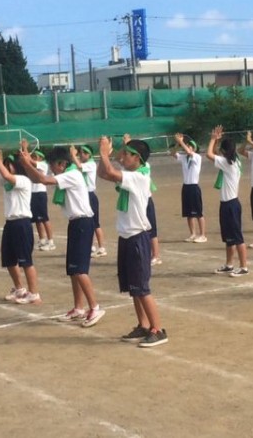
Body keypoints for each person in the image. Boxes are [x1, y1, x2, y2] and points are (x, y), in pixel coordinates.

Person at [20, 145, 105, 328]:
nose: (51, 168)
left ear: (62, 163)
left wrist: (27, 164)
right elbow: (39, 179)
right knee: (73, 270)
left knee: (80, 270)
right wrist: (27, 165)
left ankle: (95, 307)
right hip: (75, 223)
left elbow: (42, 179)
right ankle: (78, 308)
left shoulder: (72, 174)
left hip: (83, 223)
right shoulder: (68, 174)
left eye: (53, 165)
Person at [97, 136, 168, 347]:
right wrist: (105, 156)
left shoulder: (140, 177)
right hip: (126, 237)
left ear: (137, 158)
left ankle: (158, 329)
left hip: (138, 237)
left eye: (126, 154)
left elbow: (109, 171)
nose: (122, 157)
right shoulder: (132, 174)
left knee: (142, 287)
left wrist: (103, 153)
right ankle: (143, 325)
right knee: (133, 288)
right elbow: (103, 173)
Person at [0, 147, 41, 305]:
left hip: (22, 223)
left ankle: (34, 293)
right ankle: (19, 289)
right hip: (10, 223)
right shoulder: (8, 180)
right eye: (6, 164)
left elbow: (6, 175)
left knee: (26, 261)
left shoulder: (23, 180)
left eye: (10, 164)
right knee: (9, 260)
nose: (8, 166)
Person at [207, 125, 249, 277]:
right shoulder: (233, 160)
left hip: (230, 204)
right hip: (228, 203)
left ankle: (244, 267)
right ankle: (229, 264)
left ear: (225, 151)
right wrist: (217, 141)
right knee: (229, 238)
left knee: (237, 237)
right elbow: (216, 153)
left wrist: (212, 139)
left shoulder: (227, 163)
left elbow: (209, 154)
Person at [124, 133, 162, 266]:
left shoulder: (145, 167)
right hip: (139, 200)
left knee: (151, 229)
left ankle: (156, 255)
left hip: (146, 200)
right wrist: (127, 145)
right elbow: (121, 160)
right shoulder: (133, 166)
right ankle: (150, 254)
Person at [72, 144, 107, 258]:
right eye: (80, 153)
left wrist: (73, 156)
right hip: (84, 196)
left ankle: (101, 248)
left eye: (83, 153)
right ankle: (91, 246)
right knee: (88, 222)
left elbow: (80, 167)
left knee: (95, 223)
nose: (81, 155)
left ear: (89, 155)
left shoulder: (91, 164)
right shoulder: (85, 164)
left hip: (90, 195)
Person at [170, 133, 207, 243]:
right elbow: (173, 153)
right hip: (186, 187)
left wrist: (181, 142)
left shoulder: (197, 157)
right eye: (188, 145)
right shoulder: (184, 158)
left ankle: (203, 235)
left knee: (198, 213)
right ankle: (192, 234)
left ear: (195, 148)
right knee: (188, 214)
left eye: (191, 145)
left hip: (194, 187)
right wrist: (178, 144)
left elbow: (189, 152)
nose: (189, 147)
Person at [28, 145, 56, 251]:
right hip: (33, 193)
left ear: (40, 158)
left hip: (40, 193)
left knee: (44, 218)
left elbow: (30, 161)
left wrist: (25, 149)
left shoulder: (43, 165)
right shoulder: (34, 166)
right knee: (37, 219)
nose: (34, 158)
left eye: (35, 156)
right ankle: (42, 240)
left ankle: (51, 241)